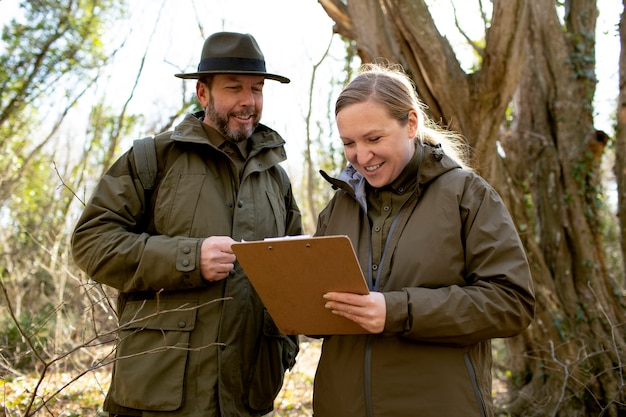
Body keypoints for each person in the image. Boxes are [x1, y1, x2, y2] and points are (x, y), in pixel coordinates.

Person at [71, 32, 302, 417]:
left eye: (257, 89)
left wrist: (284, 349)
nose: (249, 101)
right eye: (234, 88)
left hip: (248, 398)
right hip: (157, 396)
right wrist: (188, 258)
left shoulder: (275, 178)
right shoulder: (152, 158)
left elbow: (294, 272)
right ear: (202, 93)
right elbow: (92, 243)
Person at [312, 63, 535, 417]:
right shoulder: (338, 207)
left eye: (374, 139)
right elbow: (320, 309)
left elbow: (511, 302)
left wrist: (399, 311)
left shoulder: (466, 195)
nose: (361, 156)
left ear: (411, 124)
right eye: (349, 143)